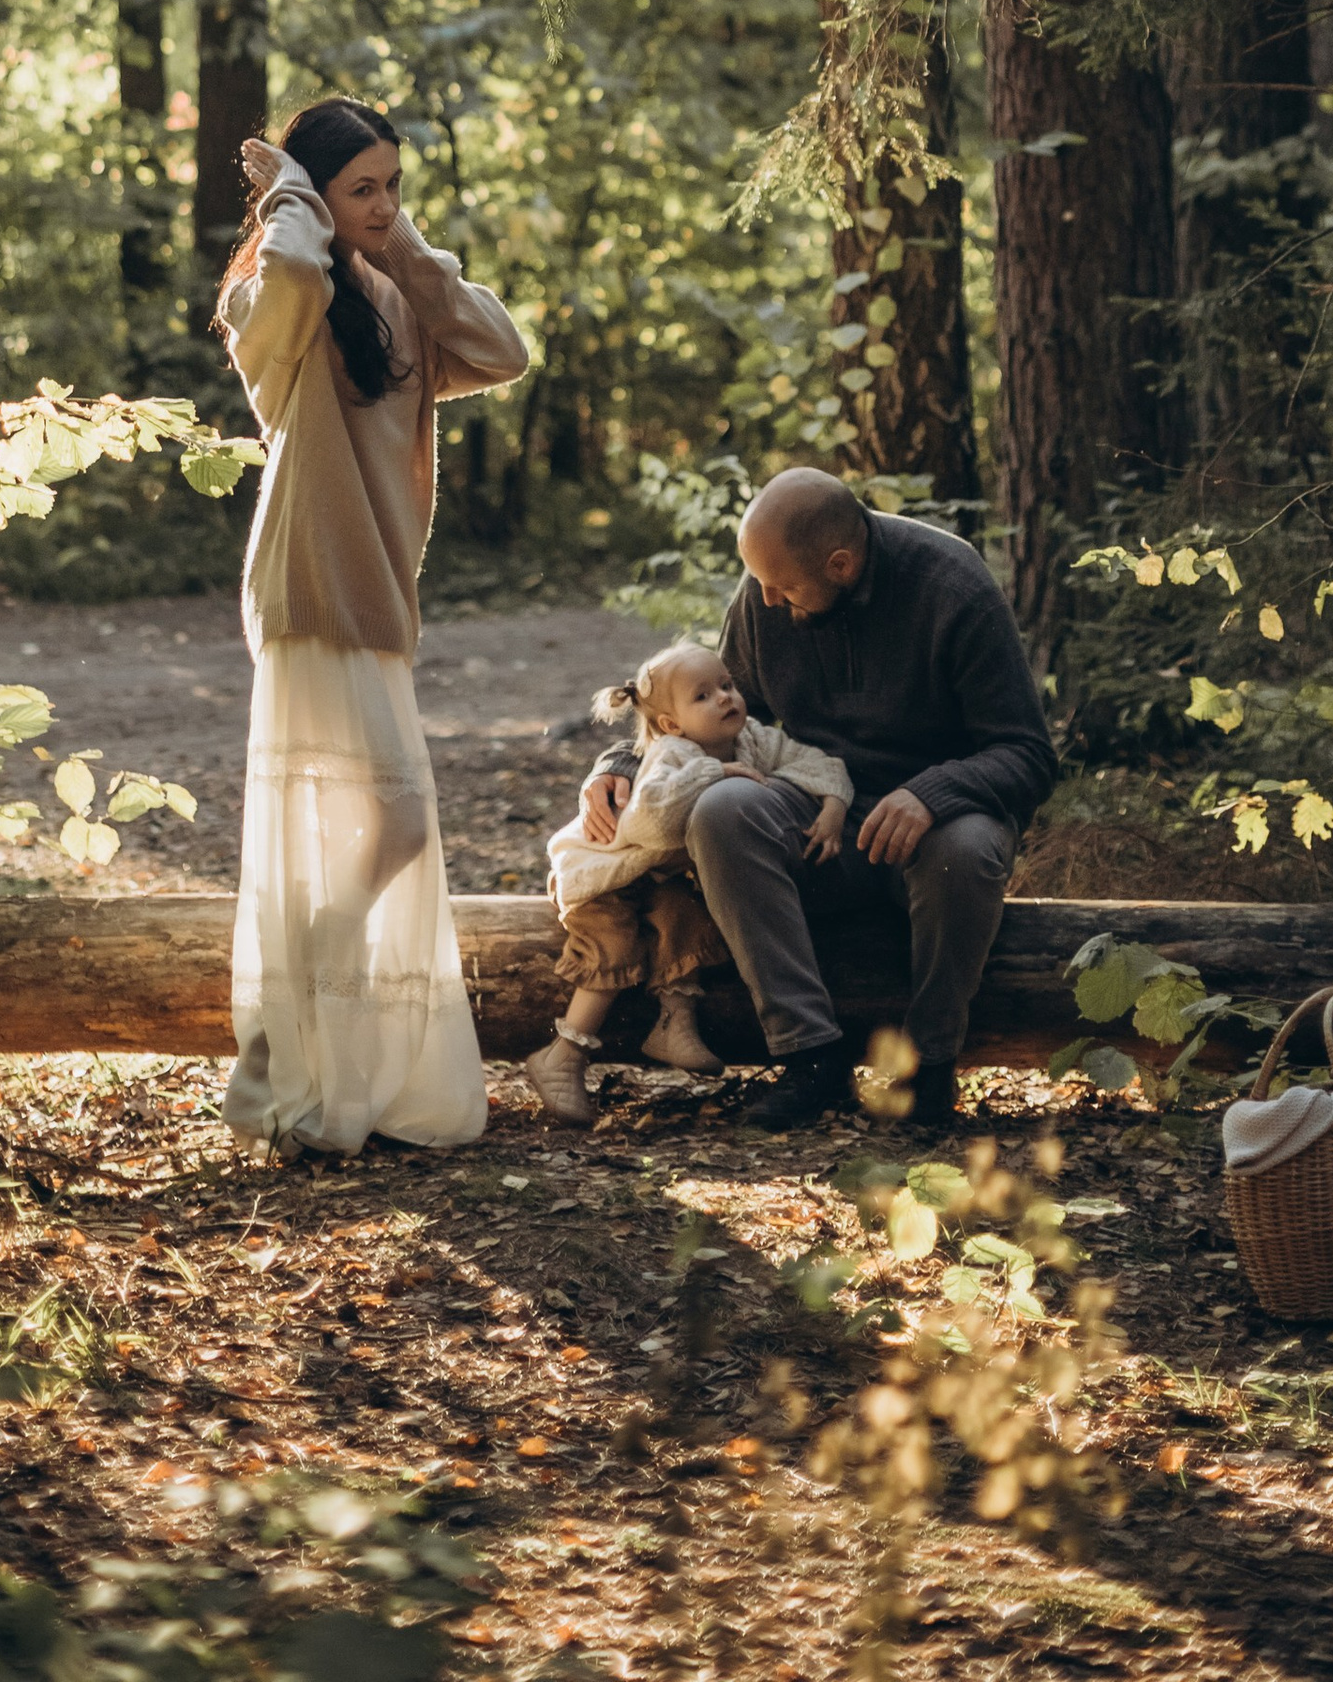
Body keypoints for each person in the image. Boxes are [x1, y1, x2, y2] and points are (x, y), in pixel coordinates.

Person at [213, 96, 529, 1156]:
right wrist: (294, 205)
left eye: (393, 185)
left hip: (379, 596)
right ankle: (276, 1047)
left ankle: (287, 1050)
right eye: (363, 189)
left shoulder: (399, 297)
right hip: (310, 585)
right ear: (312, 196)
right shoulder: (273, 301)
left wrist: (411, 247)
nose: (385, 206)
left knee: (374, 822)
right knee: (392, 821)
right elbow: (294, 275)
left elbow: (503, 346)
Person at [579, 467, 1054, 1133]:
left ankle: (930, 1064)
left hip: (936, 827)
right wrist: (620, 764)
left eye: (780, 587)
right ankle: (811, 1056)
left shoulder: (952, 587)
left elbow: (1028, 755)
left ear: (840, 563)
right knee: (720, 811)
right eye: (758, 581)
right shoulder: (766, 590)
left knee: (967, 849)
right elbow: (708, 711)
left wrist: (932, 792)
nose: (765, 600)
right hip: (817, 822)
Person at [523, 639, 850, 1126]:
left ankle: (674, 1025)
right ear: (671, 724)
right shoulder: (669, 753)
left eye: (726, 685)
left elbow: (819, 763)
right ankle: (563, 1054)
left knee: (687, 920)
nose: (724, 698)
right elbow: (646, 823)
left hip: (659, 873)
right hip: (602, 873)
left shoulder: (753, 739)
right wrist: (715, 774)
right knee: (614, 943)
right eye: (703, 696)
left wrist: (833, 807)